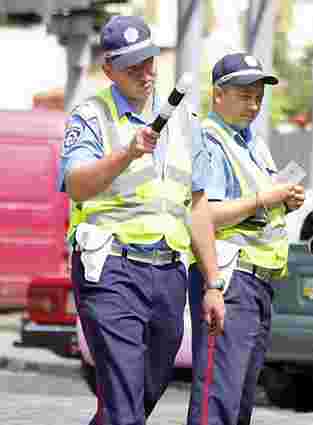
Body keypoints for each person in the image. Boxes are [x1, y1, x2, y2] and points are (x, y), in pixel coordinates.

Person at [60, 15, 224, 425]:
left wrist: (213, 282)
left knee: (145, 388)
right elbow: (76, 184)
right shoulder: (91, 115)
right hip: (111, 269)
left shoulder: (186, 121)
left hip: (167, 273)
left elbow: (198, 205)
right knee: (123, 394)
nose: (145, 73)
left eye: (149, 61)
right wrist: (126, 154)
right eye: (132, 65)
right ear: (109, 69)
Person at [186, 52, 305, 425]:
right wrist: (264, 198)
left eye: (258, 97)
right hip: (229, 277)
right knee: (217, 400)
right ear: (217, 95)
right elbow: (204, 215)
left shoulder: (253, 143)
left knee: (238, 404)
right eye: (244, 96)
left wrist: (284, 203)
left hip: (258, 284)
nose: (253, 105)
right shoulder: (208, 140)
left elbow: (254, 212)